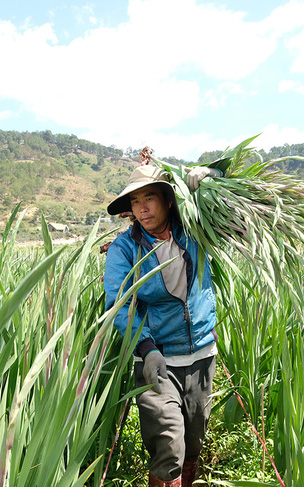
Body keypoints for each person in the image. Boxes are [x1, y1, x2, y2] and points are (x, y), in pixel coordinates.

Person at [103, 163, 221, 487]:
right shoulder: (124, 249)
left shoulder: (194, 230)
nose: (142, 208)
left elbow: (228, 208)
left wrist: (211, 181)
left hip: (200, 353)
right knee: (169, 443)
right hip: (157, 358)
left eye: (150, 198)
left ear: (169, 200)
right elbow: (119, 304)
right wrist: (146, 348)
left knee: (193, 443)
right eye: (135, 201)